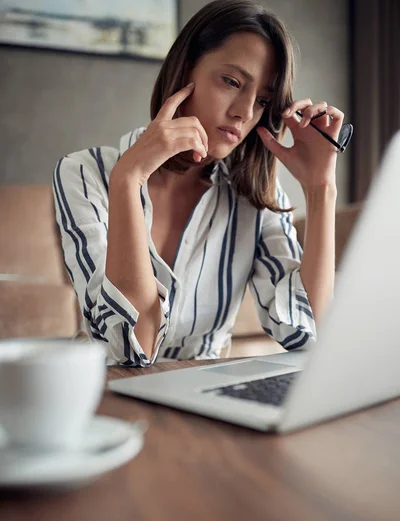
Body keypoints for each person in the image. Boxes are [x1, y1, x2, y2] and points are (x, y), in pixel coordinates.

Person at [53, 0, 343, 367]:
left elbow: (310, 332)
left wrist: (321, 188)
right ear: (184, 69)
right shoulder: (83, 173)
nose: (243, 111)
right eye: (232, 82)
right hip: (103, 392)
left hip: (201, 397)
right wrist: (128, 179)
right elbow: (131, 348)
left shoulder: (253, 197)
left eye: (262, 101)